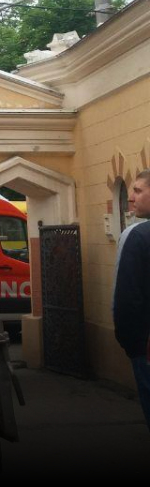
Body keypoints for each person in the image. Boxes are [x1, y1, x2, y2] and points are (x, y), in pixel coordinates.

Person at [113, 169, 150, 430]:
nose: (131, 198)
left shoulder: (138, 237)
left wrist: (131, 343)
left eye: (138, 191)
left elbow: (128, 298)